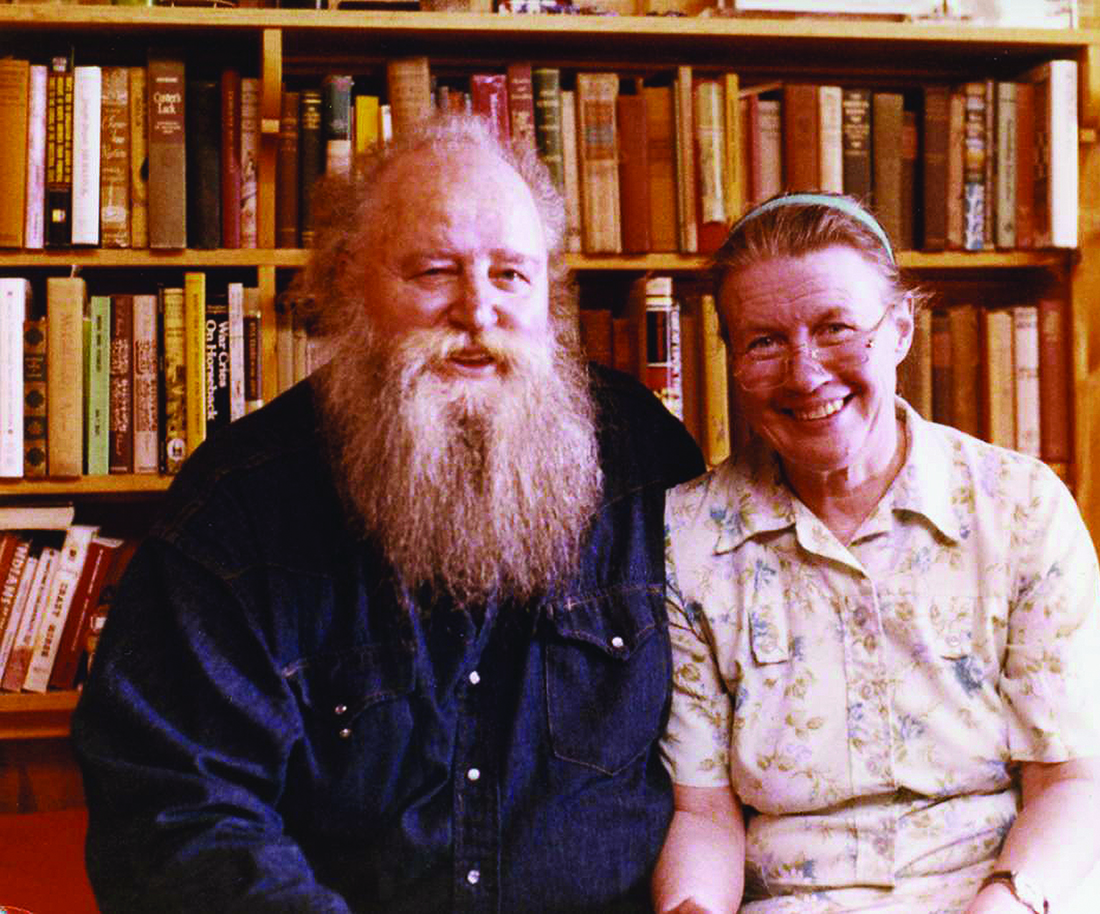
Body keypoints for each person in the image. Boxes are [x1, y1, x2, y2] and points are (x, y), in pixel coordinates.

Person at [72, 113, 705, 913]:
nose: (477, 312)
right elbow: (178, 819)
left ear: (552, 296)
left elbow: (734, 744)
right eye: (435, 272)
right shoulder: (236, 510)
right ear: (347, 284)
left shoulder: (647, 464)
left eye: (512, 275)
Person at [650, 193, 1100, 914]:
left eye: (837, 328)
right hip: (809, 897)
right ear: (733, 359)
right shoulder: (687, 537)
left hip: (1032, 877)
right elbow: (705, 814)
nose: (805, 374)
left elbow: (1072, 785)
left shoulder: (1021, 505)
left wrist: (1004, 903)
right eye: (765, 341)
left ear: (901, 328)